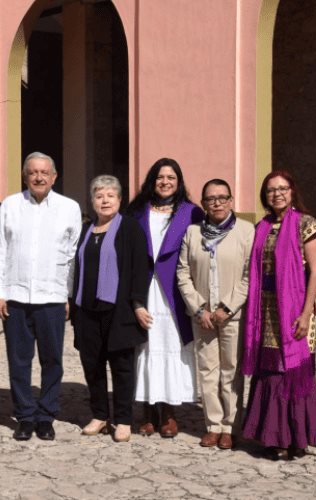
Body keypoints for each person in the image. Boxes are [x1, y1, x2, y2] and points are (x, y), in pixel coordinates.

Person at [241, 170, 316, 460]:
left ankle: (296, 436)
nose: (276, 194)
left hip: (295, 310)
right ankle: (272, 436)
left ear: (292, 191)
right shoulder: (262, 226)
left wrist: (306, 313)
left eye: (282, 188)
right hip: (265, 310)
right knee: (270, 368)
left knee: (293, 370)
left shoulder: (307, 224)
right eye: (270, 190)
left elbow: (315, 272)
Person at [0, 151, 82, 441]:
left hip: (52, 298)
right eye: (33, 172)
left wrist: (68, 295)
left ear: (54, 177)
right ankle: (25, 416)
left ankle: (46, 415)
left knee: (52, 360)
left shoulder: (69, 208)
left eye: (44, 172)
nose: (39, 177)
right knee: (19, 360)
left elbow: (72, 256)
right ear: (25, 176)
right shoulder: (11, 205)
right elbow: (0, 250)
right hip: (16, 297)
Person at [126, 158, 203, 438]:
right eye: (160, 177)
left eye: (171, 177)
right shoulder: (136, 212)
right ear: (152, 180)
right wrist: (133, 300)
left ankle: (169, 411)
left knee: (172, 346)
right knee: (145, 347)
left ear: (179, 181)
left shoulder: (192, 213)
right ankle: (148, 410)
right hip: (144, 289)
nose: (165, 182)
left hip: (174, 292)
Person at [71, 175, 149, 443]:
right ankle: (100, 415)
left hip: (119, 310)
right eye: (99, 196)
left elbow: (140, 268)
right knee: (92, 365)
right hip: (87, 310)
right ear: (92, 201)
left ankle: (124, 419)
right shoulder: (86, 230)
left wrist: (138, 303)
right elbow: (76, 269)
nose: (104, 200)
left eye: (110, 195)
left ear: (119, 199)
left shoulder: (130, 228)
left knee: (121, 366)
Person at [177, 179, 254, 450]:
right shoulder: (192, 232)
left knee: (231, 369)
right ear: (203, 203)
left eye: (222, 197)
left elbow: (249, 275)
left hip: (232, 314)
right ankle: (213, 425)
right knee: (208, 369)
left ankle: (230, 426)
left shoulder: (246, 231)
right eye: (210, 199)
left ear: (231, 201)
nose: (217, 203)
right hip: (203, 315)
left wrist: (228, 307)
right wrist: (199, 308)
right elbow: (183, 273)